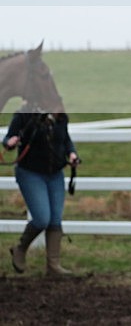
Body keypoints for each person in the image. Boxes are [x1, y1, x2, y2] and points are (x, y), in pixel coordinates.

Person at [3, 102, 80, 275]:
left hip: (55, 174)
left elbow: (66, 139)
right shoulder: (24, 115)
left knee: (55, 220)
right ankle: (20, 249)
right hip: (30, 173)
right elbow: (8, 139)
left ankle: (53, 266)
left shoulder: (60, 114)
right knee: (41, 219)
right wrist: (11, 142)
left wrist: (72, 153)